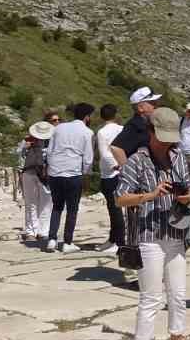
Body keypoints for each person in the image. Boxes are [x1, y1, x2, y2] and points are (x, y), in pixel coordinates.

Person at [115, 106, 190, 340]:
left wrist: (189, 196)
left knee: (178, 294)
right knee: (151, 297)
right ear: (150, 132)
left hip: (176, 233)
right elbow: (120, 197)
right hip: (148, 236)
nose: (167, 142)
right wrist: (149, 195)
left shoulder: (178, 158)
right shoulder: (136, 161)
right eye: (162, 136)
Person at [45, 103, 95, 253]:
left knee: (57, 206)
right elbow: (88, 158)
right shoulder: (88, 132)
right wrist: (85, 174)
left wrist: (51, 167)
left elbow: (50, 150)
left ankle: (52, 240)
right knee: (72, 209)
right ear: (87, 117)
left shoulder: (59, 128)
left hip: (55, 171)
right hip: (73, 172)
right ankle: (67, 242)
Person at [94, 105, 125, 254]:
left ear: (101, 117)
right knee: (114, 208)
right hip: (122, 170)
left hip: (110, 173)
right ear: (116, 115)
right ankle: (113, 238)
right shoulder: (122, 128)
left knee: (115, 208)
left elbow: (104, 153)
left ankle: (119, 242)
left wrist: (115, 166)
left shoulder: (101, 132)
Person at [18, 121, 54, 242]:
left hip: (45, 174)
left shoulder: (52, 141)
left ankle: (43, 231)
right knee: (31, 202)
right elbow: (18, 156)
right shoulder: (27, 141)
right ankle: (31, 231)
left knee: (46, 203)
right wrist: (25, 148)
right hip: (29, 172)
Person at [108, 87, 161, 168]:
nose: (156, 105)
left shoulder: (146, 123)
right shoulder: (135, 125)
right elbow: (116, 148)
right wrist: (129, 172)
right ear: (140, 108)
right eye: (152, 102)